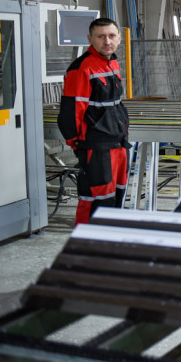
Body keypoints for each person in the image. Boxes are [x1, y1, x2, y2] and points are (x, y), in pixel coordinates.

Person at [58, 18, 129, 225]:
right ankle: (87, 238)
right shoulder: (81, 68)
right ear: (90, 39)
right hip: (96, 145)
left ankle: (110, 236)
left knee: (117, 192)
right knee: (96, 197)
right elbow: (72, 110)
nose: (107, 41)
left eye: (112, 36)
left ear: (119, 38)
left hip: (118, 141)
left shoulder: (112, 62)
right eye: (101, 36)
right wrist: (77, 143)